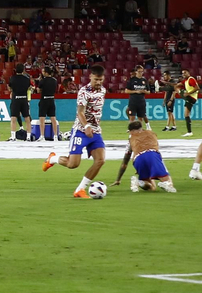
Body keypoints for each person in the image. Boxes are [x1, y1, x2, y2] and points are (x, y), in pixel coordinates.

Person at [43, 65, 107, 198]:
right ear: (90, 77)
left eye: (101, 80)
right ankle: (53, 158)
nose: (99, 82)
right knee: (73, 164)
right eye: (96, 79)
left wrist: (93, 127)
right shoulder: (84, 92)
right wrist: (87, 126)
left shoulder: (103, 90)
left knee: (100, 160)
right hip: (80, 130)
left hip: (96, 132)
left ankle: (80, 189)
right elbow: (80, 112)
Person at [114, 117, 176, 193]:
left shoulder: (131, 140)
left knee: (152, 187)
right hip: (152, 154)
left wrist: (118, 179)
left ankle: (139, 182)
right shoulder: (152, 133)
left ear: (131, 131)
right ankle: (167, 184)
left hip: (138, 159)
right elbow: (156, 148)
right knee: (168, 182)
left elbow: (125, 162)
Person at [31, 66, 59, 142]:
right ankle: (55, 136)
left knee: (42, 118)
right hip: (51, 99)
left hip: (44, 100)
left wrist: (35, 88)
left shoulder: (42, 81)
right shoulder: (54, 80)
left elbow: (38, 91)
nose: (42, 73)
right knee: (53, 118)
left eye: (43, 72)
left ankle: (42, 136)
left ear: (46, 73)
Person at [126, 65, 151, 138]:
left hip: (142, 101)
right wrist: (136, 91)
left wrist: (144, 91)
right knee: (132, 117)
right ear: (136, 72)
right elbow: (126, 91)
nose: (140, 73)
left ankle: (139, 133)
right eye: (139, 71)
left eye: (141, 71)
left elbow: (149, 92)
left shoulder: (144, 80)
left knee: (141, 117)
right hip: (133, 101)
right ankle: (131, 133)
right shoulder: (131, 80)